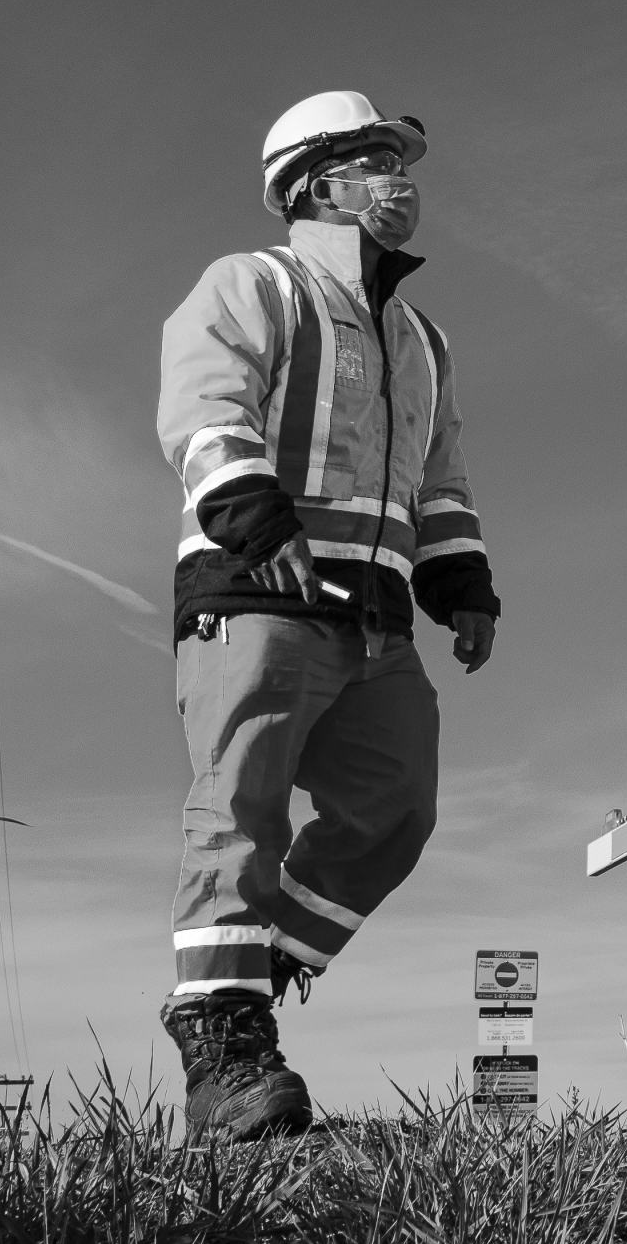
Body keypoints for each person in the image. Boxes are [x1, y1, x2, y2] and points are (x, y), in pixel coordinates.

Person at [155, 90, 500, 1141]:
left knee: (397, 805)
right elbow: (204, 406)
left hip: (377, 618)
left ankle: (245, 979)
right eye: (376, 161)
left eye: (402, 162)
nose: (401, 183)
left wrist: (462, 581)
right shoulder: (251, 284)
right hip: (261, 592)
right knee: (240, 805)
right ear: (316, 181)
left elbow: (438, 479)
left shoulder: (421, 338)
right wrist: (255, 518)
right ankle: (224, 1050)